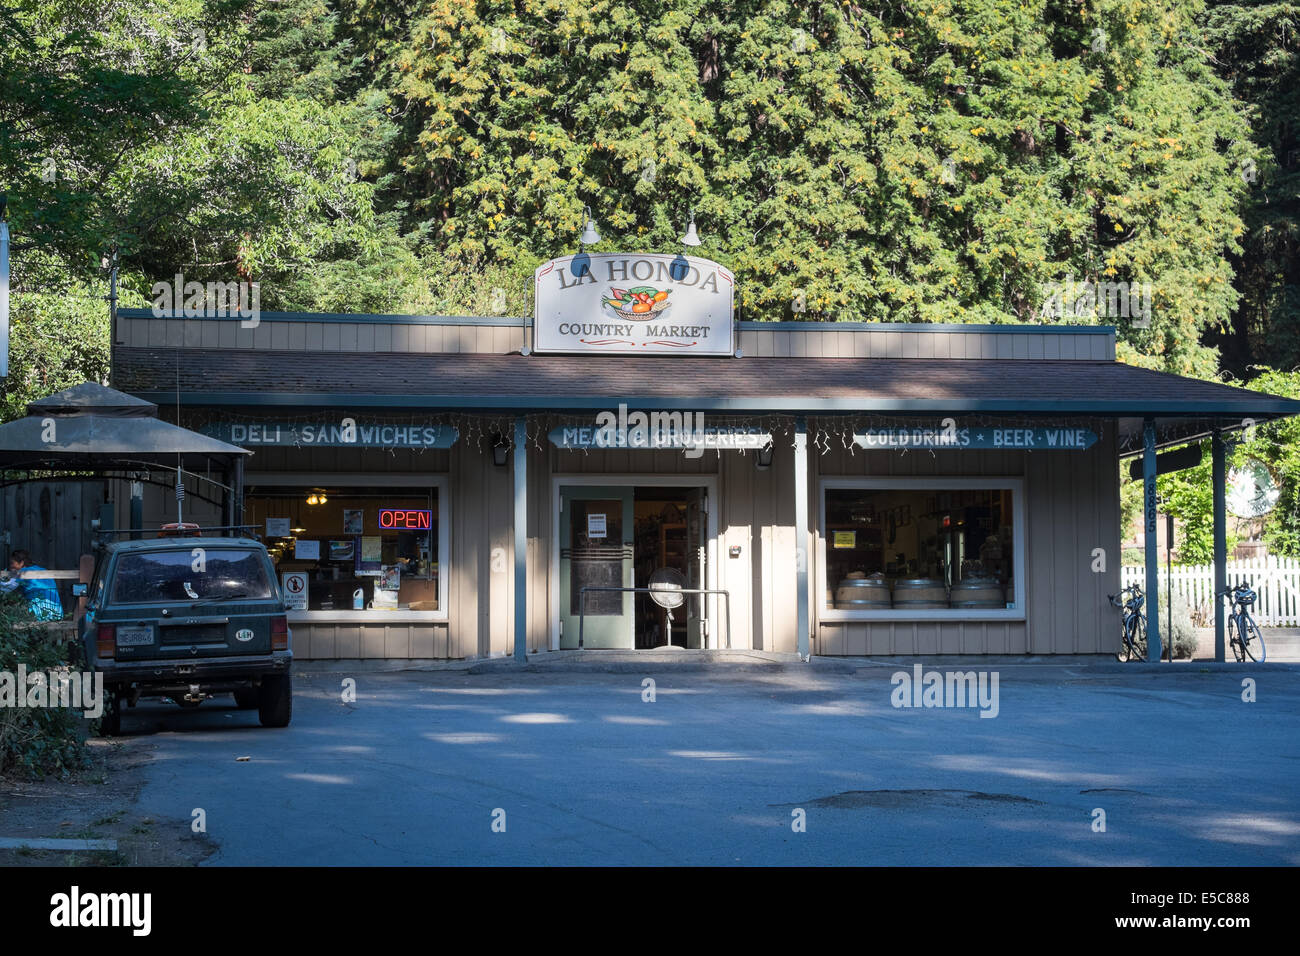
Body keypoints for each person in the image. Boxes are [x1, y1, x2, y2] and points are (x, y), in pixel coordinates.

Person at [1, 550, 63, 621]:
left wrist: (3, 576)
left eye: (12, 563)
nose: (11, 566)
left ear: (21, 563)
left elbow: (7, 587)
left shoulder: (24, 572)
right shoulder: (43, 570)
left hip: (39, 610)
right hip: (56, 610)